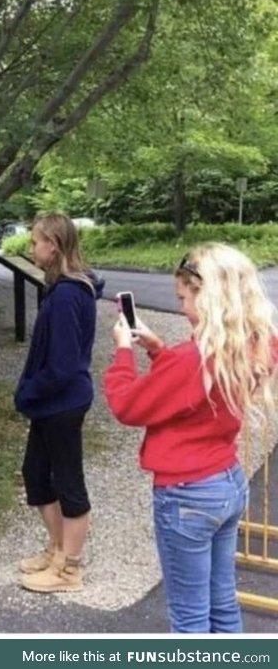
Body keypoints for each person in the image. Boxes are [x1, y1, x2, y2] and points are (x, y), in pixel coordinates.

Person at [104, 242, 277, 633]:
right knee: (222, 605)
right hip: (228, 483)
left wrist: (123, 353)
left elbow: (128, 406)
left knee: (189, 620)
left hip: (188, 496)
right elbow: (197, 395)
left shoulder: (191, 360)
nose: (181, 307)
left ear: (208, 296)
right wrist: (158, 349)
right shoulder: (253, 345)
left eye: (183, 297)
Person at [14, 213, 104, 592]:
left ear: (53, 245)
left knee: (68, 483)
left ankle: (70, 570)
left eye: (35, 241)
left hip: (62, 403)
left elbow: (64, 366)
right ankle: (57, 550)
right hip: (51, 404)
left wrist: (28, 392)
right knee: (36, 475)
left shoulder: (68, 295)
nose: (31, 248)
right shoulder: (61, 288)